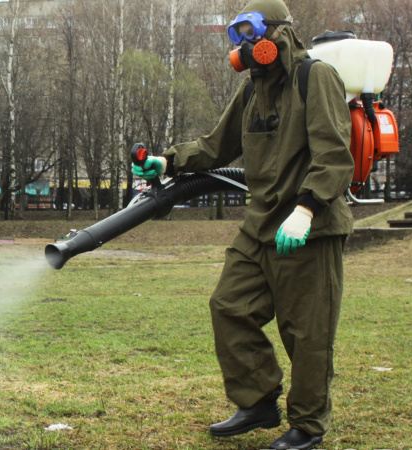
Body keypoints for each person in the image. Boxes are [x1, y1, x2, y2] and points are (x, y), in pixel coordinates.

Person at [132, 1, 354, 449]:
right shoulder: (252, 90)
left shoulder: (317, 77)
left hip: (308, 227)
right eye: (236, 36)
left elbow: (334, 154)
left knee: (306, 331)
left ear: (278, 33)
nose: (244, 45)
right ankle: (257, 402)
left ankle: (308, 425)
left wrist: (307, 208)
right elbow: (216, 147)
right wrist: (167, 161)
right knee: (229, 306)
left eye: (250, 32)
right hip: (260, 226)